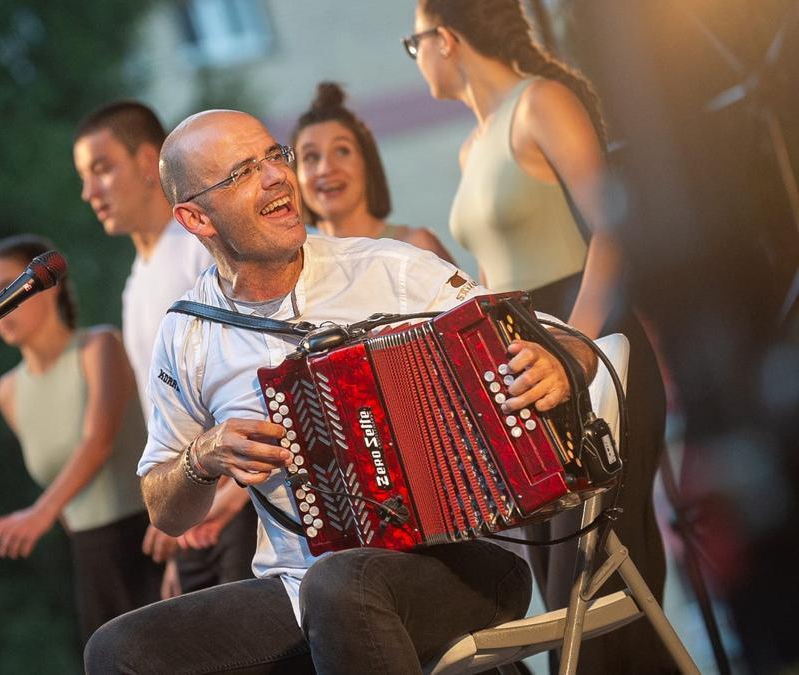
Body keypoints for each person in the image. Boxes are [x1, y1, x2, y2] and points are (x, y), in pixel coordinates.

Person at [84, 109, 600, 674]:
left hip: (464, 564)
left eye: (274, 156)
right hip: (297, 589)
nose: (278, 176)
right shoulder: (187, 334)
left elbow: (559, 338)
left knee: (338, 583)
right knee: (116, 652)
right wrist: (202, 457)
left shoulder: (389, 271)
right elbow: (164, 510)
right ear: (195, 217)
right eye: (243, 172)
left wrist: (561, 361)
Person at [405, 1, 671, 672]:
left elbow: (612, 225)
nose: (416, 58)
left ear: (446, 39)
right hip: (528, 372)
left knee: (604, 585)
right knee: (564, 599)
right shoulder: (473, 144)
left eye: (415, 42)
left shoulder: (540, 102)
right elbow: (501, 279)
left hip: (594, 349)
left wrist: (576, 347)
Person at [73, 101, 258, 596]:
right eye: (84, 178)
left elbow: (253, 363)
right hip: (196, 510)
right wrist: (178, 530)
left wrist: (234, 495)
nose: (89, 192)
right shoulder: (135, 283)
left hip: (244, 498)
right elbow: (166, 416)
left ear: (145, 161)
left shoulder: (199, 245)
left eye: (101, 169)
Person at [0, 235, 163, 646]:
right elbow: (58, 481)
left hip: (152, 542)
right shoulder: (7, 392)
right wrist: (51, 517)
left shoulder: (99, 346)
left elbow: (97, 442)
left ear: (48, 284)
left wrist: (38, 514)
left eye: (5, 288)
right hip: (91, 560)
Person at [292, 81, 456, 263]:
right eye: (311, 157)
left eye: (342, 151)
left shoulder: (416, 248)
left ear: (366, 161)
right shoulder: (299, 265)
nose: (325, 168)